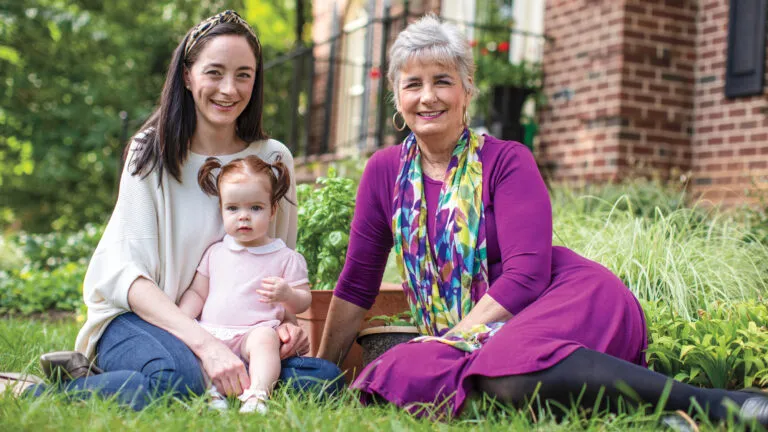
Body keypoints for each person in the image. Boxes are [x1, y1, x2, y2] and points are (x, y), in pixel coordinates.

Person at [317, 14, 768, 425]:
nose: (428, 96)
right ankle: (646, 412)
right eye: (413, 84)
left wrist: (450, 339)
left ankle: (722, 406)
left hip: (557, 297)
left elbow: (526, 276)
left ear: (467, 89)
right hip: (475, 330)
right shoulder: (384, 172)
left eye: (443, 81)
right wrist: (324, 373)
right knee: (393, 370)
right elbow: (357, 283)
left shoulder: (506, 160)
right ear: (396, 96)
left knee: (504, 362)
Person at [1, 10, 341, 409]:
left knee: (323, 381)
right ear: (187, 75)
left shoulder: (273, 158)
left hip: (239, 330)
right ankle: (30, 390)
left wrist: (286, 326)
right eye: (214, 72)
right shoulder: (152, 154)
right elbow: (130, 279)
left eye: (244, 74)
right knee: (176, 381)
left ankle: (123, 382)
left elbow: (274, 262)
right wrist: (206, 346)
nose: (229, 89)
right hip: (140, 317)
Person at [178, 155, 312, 413]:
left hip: (253, 332)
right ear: (222, 210)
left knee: (265, 340)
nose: (243, 217)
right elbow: (197, 292)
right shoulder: (215, 252)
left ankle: (258, 393)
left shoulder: (285, 257)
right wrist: (181, 318)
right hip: (212, 331)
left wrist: (286, 294)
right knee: (192, 348)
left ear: (273, 210)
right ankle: (211, 395)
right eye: (233, 208)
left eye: (255, 208)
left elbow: (304, 300)